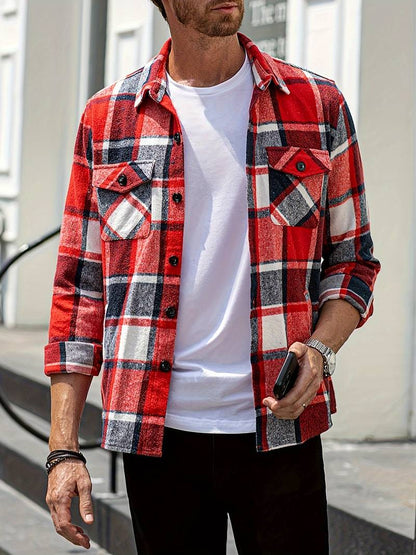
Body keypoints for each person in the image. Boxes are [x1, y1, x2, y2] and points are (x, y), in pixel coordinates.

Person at [44, 1, 380, 553]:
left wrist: (321, 350)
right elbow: (80, 290)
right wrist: (63, 449)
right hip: (158, 432)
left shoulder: (317, 104)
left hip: (280, 423)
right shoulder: (108, 118)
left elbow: (353, 260)